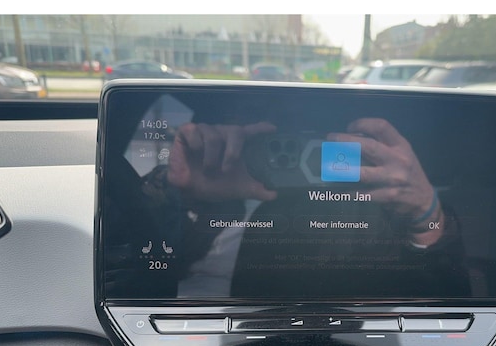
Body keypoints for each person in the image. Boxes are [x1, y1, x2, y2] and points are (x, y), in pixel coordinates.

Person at [154, 116, 469, 299]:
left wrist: (426, 214)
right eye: (268, 141)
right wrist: (174, 191)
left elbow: (439, 305)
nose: (287, 154)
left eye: (313, 141)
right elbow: (141, 270)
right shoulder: (211, 186)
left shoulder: (371, 206)